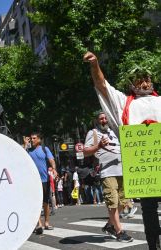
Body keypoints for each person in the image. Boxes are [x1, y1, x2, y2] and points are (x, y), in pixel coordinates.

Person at [84, 51, 161, 250]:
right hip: (144, 172)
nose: (144, 83)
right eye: (138, 80)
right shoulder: (124, 103)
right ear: (131, 84)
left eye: (147, 79)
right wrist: (95, 65)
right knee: (149, 211)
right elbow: (102, 86)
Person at [83, 111, 134, 243]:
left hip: (122, 171)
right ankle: (119, 231)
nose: (104, 120)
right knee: (113, 203)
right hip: (108, 172)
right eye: (101, 119)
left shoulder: (114, 131)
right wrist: (99, 146)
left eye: (106, 118)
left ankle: (109, 226)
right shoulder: (93, 133)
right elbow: (85, 152)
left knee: (123, 203)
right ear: (97, 121)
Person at [25, 132, 56, 235]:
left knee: (46, 202)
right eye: (30, 138)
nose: (32, 140)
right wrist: (25, 145)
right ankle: (39, 224)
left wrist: (54, 169)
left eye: (34, 138)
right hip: (33, 180)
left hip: (45, 180)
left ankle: (46, 222)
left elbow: (51, 160)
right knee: (36, 202)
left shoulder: (44, 149)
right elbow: (22, 158)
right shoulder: (28, 150)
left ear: (39, 140)